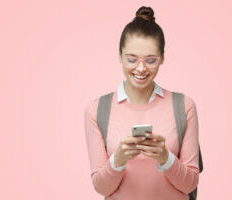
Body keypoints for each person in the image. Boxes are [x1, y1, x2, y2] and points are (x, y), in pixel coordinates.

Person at [83, 6, 200, 200]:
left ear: (162, 58)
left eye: (151, 60)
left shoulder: (183, 106)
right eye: (131, 59)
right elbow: (102, 188)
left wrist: (165, 157)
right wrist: (118, 159)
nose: (140, 68)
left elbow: (190, 184)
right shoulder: (97, 110)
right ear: (119, 56)